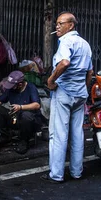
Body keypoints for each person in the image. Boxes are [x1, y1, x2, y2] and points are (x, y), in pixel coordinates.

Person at [42, 12, 93, 183]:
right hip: (80, 95)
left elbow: (64, 63)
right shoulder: (85, 44)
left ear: (70, 25)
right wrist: (82, 89)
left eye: (60, 23)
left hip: (64, 93)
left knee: (58, 134)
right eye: (56, 23)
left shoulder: (66, 41)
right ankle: (76, 172)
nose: (56, 26)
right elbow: (90, 72)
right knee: (77, 134)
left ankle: (56, 175)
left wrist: (51, 80)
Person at [0, 70, 42, 154]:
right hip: (15, 117)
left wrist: (20, 107)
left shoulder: (31, 87)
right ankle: (4, 136)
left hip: (29, 122)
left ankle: (24, 141)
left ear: (20, 84)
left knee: (27, 115)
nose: (10, 87)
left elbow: (37, 105)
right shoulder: (11, 89)